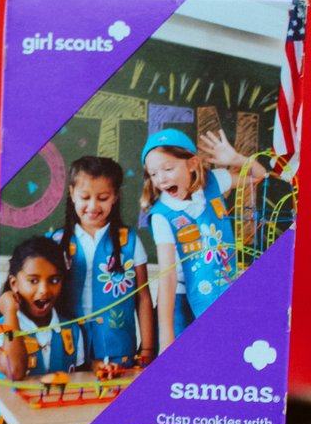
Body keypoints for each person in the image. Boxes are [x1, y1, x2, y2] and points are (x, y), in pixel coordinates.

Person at [141, 127, 266, 350]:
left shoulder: (213, 182)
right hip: (181, 301)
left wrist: (236, 158)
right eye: (153, 174)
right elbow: (167, 278)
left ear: (192, 164)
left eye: (168, 169)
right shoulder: (162, 216)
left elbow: (258, 176)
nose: (160, 179)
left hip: (221, 292)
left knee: (223, 356)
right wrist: (166, 337)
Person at [51, 155, 155, 369]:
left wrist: (147, 348)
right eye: (85, 197)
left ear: (115, 196)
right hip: (66, 347)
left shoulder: (130, 242)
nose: (93, 206)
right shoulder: (55, 242)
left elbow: (143, 297)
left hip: (117, 348)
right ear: (72, 194)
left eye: (103, 197)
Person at [0, 235, 83, 381]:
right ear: (14, 283)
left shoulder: (72, 329)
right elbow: (15, 370)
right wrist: (10, 313)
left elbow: (80, 378)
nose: (44, 290)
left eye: (54, 280)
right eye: (33, 281)